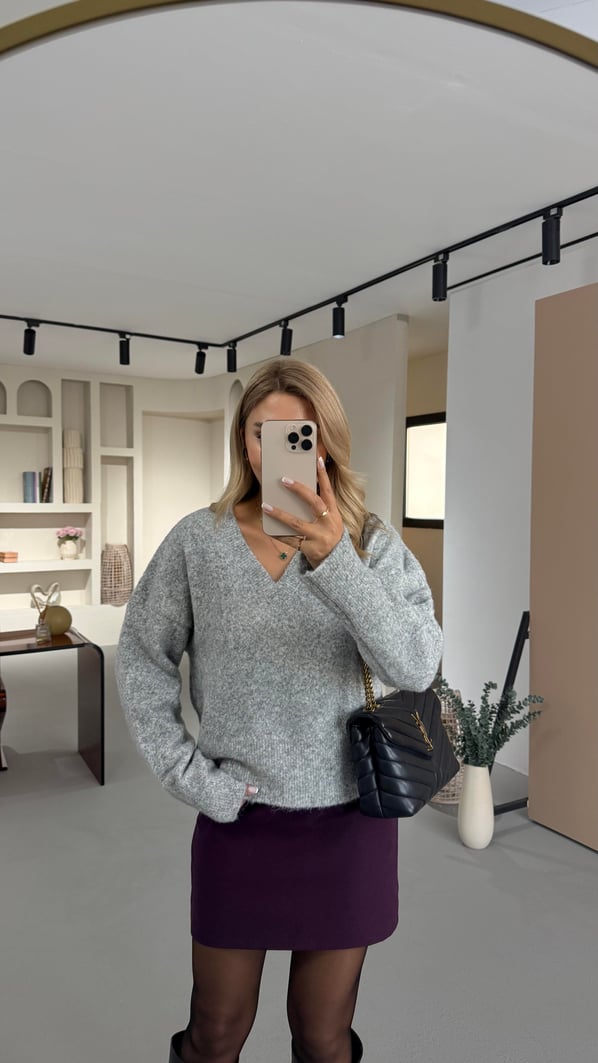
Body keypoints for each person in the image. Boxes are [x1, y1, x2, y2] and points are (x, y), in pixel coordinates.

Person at [115, 359, 443, 1063]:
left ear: (325, 441)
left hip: (350, 821)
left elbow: (416, 665)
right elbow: (141, 655)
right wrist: (189, 774)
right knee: (214, 1032)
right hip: (238, 817)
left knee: (322, 1038)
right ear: (244, 441)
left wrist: (336, 559)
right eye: (261, 433)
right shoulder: (198, 542)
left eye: (297, 432)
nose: (277, 450)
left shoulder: (372, 543)